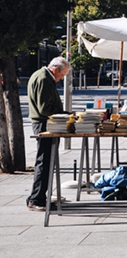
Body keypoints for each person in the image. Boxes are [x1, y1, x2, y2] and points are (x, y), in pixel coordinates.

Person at [26, 56, 71, 211]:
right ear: (56, 69)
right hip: (45, 124)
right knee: (45, 162)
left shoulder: (42, 76)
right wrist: (64, 115)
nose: (61, 78)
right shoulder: (44, 79)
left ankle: (37, 197)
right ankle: (36, 199)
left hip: (45, 123)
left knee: (46, 161)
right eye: (62, 75)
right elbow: (45, 108)